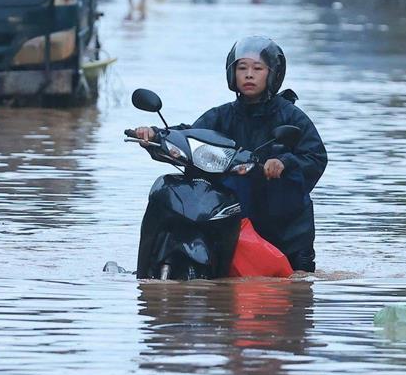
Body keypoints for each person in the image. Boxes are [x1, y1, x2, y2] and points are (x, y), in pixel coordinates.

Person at [133, 35, 328, 272]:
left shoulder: (292, 117)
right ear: (232, 73)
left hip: (284, 224)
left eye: (258, 68)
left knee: (294, 291)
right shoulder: (222, 115)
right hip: (230, 215)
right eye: (242, 67)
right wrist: (155, 134)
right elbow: (192, 135)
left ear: (273, 74)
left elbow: (315, 157)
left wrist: (284, 163)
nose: (248, 74)